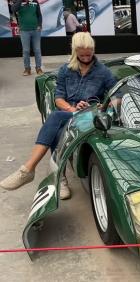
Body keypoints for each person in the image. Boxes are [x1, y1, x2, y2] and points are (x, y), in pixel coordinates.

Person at [0, 32, 116, 199]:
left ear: (93, 50)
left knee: (55, 118)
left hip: (90, 115)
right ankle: (58, 178)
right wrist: (71, 109)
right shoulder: (65, 70)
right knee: (58, 129)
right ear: (74, 51)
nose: (85, 58)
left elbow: (116, 97)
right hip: (70, 113)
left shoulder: (103, 72)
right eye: (81, 54)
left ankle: (30, 170)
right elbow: (59, 98)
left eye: (88, 54)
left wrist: (102, 105)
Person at [11, 0, 43, 76]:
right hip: (24, 30)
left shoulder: (35, 2)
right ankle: (27, 69)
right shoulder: (18, 2)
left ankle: (38, 68)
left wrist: (39, 25)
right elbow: (13, 9)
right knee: (26, 51)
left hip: (36, 30)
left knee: (37, 50)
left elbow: (39, 15)